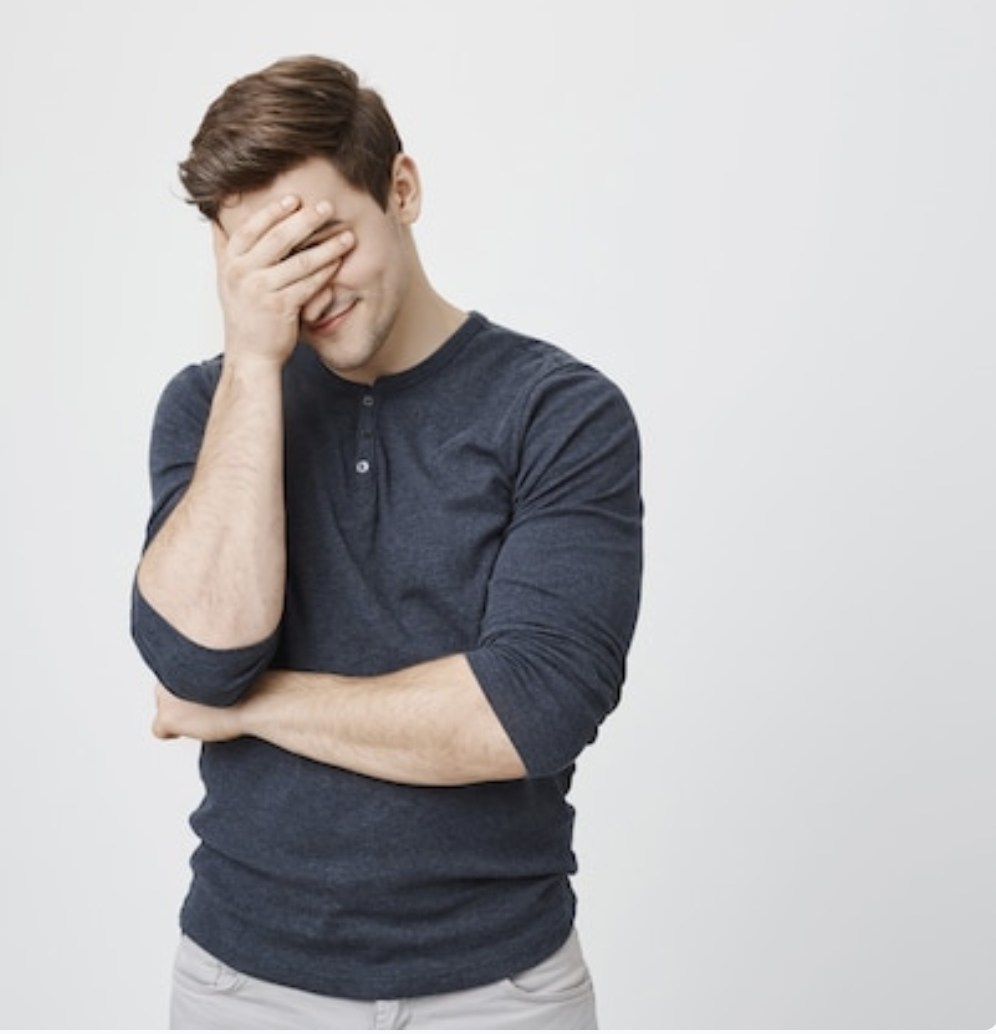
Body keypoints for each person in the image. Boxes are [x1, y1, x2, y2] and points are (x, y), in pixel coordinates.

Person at [130, 54, 642, 1030]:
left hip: (500, 991)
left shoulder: (559, 412)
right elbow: (197, 658)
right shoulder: (208, 407)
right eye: (263, 261)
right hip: (244, 983)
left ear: (400, 189)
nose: (304, 289)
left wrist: (248, 708)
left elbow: (528, 712)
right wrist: (252, 365)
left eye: (319, 241)